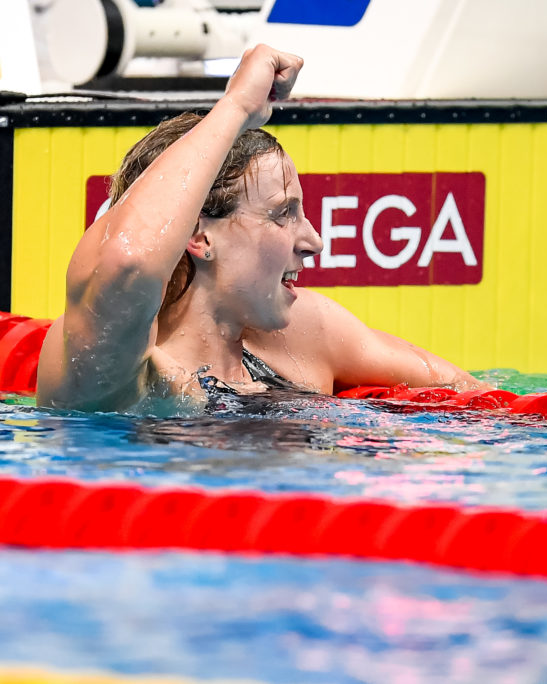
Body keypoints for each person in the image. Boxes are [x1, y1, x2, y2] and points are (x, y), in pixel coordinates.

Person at [36, 45, 485, 414]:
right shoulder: (127, 378)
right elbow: (127, 262)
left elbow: (476, 401)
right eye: (282, 213)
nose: (314, 241)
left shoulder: (303, 333)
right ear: (199, 236)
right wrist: (236, 106)